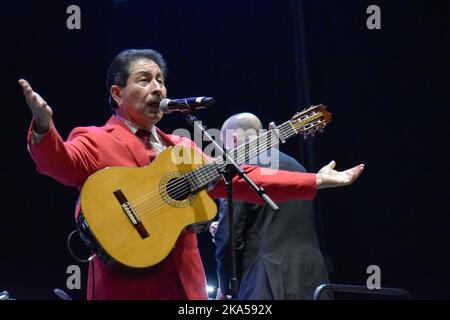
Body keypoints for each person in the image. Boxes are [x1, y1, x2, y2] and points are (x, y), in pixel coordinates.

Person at [19, 48, 364, 300]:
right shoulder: (94, 139)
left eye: (161, 80)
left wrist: (315, 181)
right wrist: (44, 127)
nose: (158, 88)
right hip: (123, 288)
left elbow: (240, 177)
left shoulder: (181, 150)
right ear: (117, 92)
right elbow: (59, 163)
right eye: (144, 79)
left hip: (186, 290)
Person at [212, 113, 339, 300]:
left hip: (266, 281)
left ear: (234, 139)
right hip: (313, 277)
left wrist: (226, 288)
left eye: (225, 146)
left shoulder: (239, 171)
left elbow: (230, 236)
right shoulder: (297, 166)